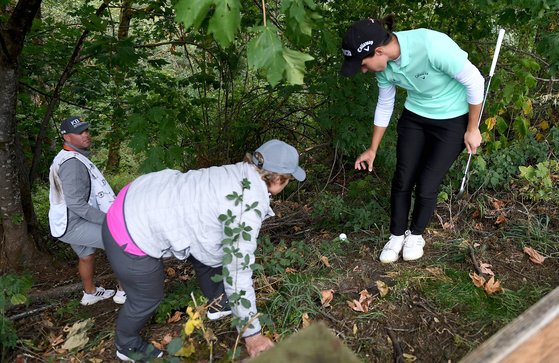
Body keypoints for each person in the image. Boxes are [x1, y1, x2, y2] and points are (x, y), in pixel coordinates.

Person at [101, 139, 306, 361]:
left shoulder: (239, 172)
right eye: (289, 180)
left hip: (138, 197)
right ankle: (126, 344)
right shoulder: (246, 207)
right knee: (146, 298)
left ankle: (218, 302)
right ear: (277, 179)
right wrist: (252, 334)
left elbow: (209, 237)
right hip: (128, 229)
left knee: (214, 244)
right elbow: (238, 271)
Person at [340, 15, 484, 263]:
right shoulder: (385, 67)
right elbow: (385, 103)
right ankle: (396, 235)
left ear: (378, 51)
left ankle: (415, 234)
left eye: (362, 64)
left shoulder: (431, 45)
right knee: (403, 177)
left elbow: (475, 81)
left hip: (453, 119)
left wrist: (472, 128)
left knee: (427, 182)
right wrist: (372, 149)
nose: (362, 70)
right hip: (415, 117)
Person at [48, 116, 126, 305]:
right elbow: (76, 203)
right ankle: (124, 291)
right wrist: (108, 220)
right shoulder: (72, 164)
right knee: (121, 242)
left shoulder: (66, 156)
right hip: (74, 223)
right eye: (80, 132)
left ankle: (90, 293)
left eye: (86, 130)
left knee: (86, 255)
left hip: (64, 221)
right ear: (67, 137)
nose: (86, 135)